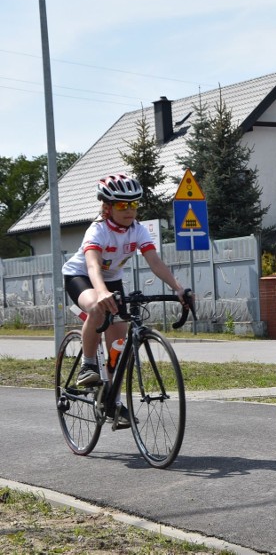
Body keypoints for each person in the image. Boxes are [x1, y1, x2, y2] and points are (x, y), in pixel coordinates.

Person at [61, 173, 190, 427]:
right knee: (96, 308)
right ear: (107, 207)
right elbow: (93, 266)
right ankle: (87, 366)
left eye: (133, 204)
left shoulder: (137, 230)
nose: (129, 210)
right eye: (122, 205)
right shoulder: (98, 230)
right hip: (81, 276)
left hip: (112, 281)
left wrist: (178, 288)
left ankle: (113, 403)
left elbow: (154, 261)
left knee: (117, 345)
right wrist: (101, 293)